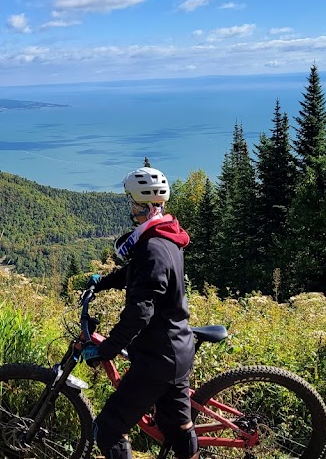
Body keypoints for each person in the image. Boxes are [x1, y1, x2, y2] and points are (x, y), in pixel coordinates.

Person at [80, 165, 198, 459]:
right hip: (176, 351)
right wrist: (104, 282)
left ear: (146, 206)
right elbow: (140, 274)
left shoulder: (153, 247)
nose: (131, 209)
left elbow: (141, 311)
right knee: (179, 427)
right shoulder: (166, 237)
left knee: (108, 429)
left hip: (157, 358)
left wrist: (107, 349)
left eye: (133, 204)